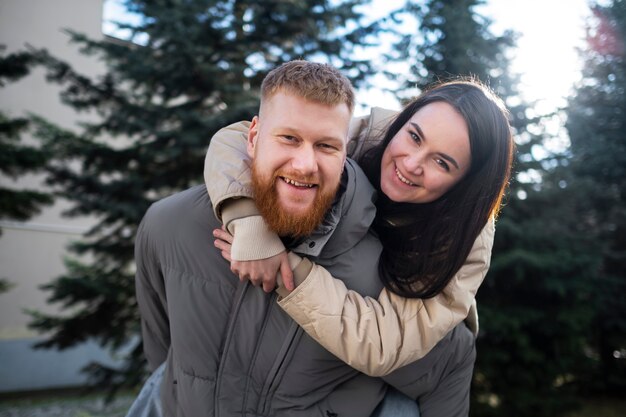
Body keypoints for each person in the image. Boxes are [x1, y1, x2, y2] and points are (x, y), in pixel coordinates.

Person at [132, 60, 479, 417]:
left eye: (326, 146)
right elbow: (164, 355)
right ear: (253, 137)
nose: (304, 164)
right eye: (288, 138)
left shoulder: (382, 279)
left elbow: (448, 363)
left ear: (346, 152)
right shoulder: (171, 225)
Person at [207, 76, 515, 377]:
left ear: (465, 184)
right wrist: (249, 222)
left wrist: (283, 268)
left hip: (425, 365)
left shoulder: (466, 238)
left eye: (442, 163)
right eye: (415, 137)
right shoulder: (366, 134)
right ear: (402, 121)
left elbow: (382, 343)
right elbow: (238, 138)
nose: (411, 164)